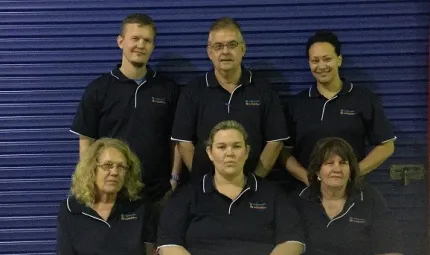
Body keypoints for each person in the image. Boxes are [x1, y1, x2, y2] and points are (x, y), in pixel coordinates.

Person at [70, 13, 182, 203]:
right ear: (120, 42)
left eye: (147, 40)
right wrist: (89, 182)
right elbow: (86, 141)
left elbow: (177, 140)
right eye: (135, 39)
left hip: (156, 195)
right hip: (112, 195)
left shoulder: (167, 88)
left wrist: (174, 178)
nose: (141, 45)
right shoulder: (98, 89)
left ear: (152, 47)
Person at [157, 120, 305, 255]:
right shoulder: (186, 195)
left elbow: (292, 242)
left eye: (237, 146)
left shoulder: (273, 194)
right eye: (221, 147)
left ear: (246, 152)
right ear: (210, 153)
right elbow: (169, 244)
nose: (230, 153)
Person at [171, 17, 287, 180]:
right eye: (218, 46)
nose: (225, 51)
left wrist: (255, 181)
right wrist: (203, 181)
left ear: (243, 49)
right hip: (205, 192)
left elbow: (275, 141)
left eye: (232, 45)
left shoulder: (264, 90)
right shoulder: (192, 91)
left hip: (253, 189)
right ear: (209, 52)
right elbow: (184, 142)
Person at [281, 30, 396, 189]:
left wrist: (353, 173)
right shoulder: (297, 104)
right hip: (307, 194)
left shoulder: (363, 98)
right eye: (315, 60)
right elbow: (283, 151)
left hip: (351, 191)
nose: (321, 66)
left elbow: (386, 146)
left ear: (339, 60)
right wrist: (306, 177)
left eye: (327, 59)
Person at [295, 137, 403, 255]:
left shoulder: (369, 198)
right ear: (317, 171)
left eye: (343, 163)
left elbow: (391, 248)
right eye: (330, 163)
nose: (337, 169)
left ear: (351, 170)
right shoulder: (300, 200)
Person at [56, 138, 155, 255]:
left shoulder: (139, 208)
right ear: (92, 169)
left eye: (121, 167)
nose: (114, 172)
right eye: (108, 165)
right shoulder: (70, 210)